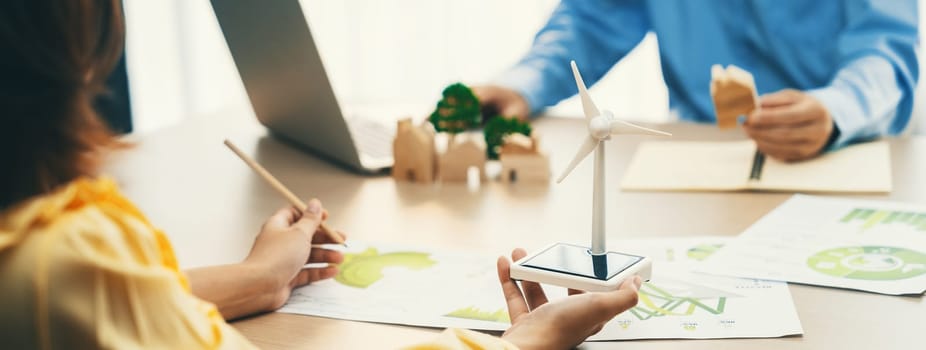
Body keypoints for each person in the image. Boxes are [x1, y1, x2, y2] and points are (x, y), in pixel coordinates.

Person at [0, 1, 639, 348]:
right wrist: (521, 348)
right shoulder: (66, 258)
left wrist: (253, 280)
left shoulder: (46, 262)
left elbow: (105, 310)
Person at [475, 0, 919, 162]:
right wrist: (524, 82)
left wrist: (837, 109)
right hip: (700, 153)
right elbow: (593, 19)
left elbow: (885, 47)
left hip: (841, 150)